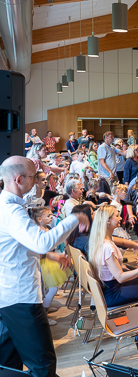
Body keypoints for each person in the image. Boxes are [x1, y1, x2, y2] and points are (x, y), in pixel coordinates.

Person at [0, 156, 89, 376]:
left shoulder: (7, 206)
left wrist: (50, 256)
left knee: (8, 361)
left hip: (9, 295)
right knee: (43, 364)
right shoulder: (12, 212)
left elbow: (23, 246)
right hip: (21, 297)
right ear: (19, 179)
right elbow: (41, 242)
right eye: (33, 177)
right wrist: (75, 218)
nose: (37, 181)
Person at [87, 205, 138, 348]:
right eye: (117, 216)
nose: (120, 218)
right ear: (108, 221)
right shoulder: (107, 246)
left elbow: (123, 243)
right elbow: (121, 277)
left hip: (109, 288)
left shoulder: (103, 239)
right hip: (112, 293)